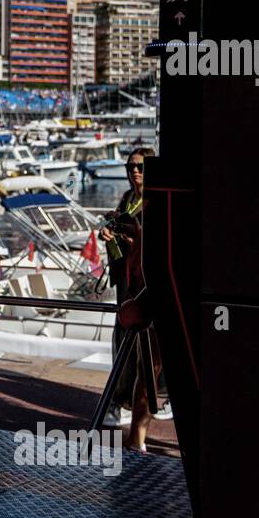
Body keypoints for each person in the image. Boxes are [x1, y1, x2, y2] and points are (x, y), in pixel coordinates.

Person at [98, 146, 163, 451]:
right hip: (128, 283)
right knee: (126, 348)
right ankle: (122, 411)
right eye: (130, 167)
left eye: (140, 167)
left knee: (148, 358)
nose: (134, 172)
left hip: (149, 286)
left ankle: (138, 432)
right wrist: (111, 234)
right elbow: (125, 243)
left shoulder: (158, 200)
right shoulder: (128, 199)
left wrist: (133, 234)